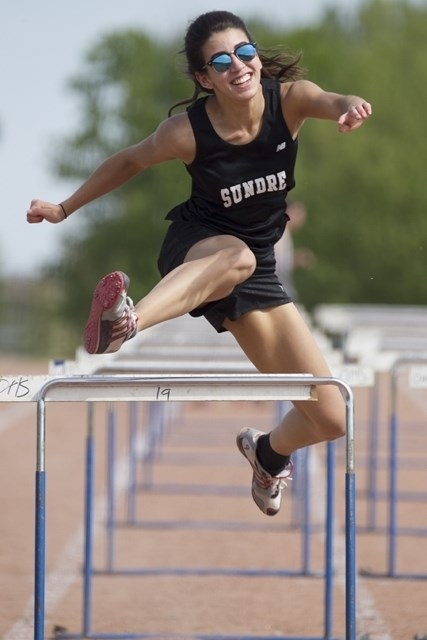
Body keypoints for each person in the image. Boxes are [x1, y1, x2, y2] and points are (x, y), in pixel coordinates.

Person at [27, 11, 372, 517]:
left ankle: (268, 453)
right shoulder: (187, 131)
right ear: (203, 78)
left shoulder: (289, 101)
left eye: (246, 52)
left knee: (332, 417)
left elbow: (331, 100)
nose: (240, 66)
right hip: (199, 246)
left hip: (256, 270)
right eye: (222, 60)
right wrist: (63, 209)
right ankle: (127, 321)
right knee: (234, 256)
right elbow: (128, 160)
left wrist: (350, 106)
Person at [274, 200, 315, 300]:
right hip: (279, 289)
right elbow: (277, 262)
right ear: (289, 211)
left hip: (281, 288)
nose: (302, 219)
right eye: (299, 214)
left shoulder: (283, 232)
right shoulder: (281, 232)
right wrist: (296, 260)